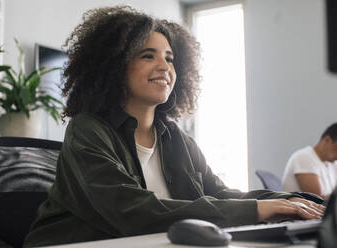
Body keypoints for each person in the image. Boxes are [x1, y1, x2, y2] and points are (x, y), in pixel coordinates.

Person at [23, 6, 324, 247]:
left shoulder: (175, 137)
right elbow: (131, 212)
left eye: (169, 58)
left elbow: (219, 194)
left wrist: (294, 202)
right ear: (114, 66)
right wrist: (256, 210)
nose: (165, 66)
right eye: (147, 56)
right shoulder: (88, 130)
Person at [282, 123, 337, 199]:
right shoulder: (304, 157)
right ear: (327, 140)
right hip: (302, 209)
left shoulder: (332, 164)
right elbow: (317, 200)